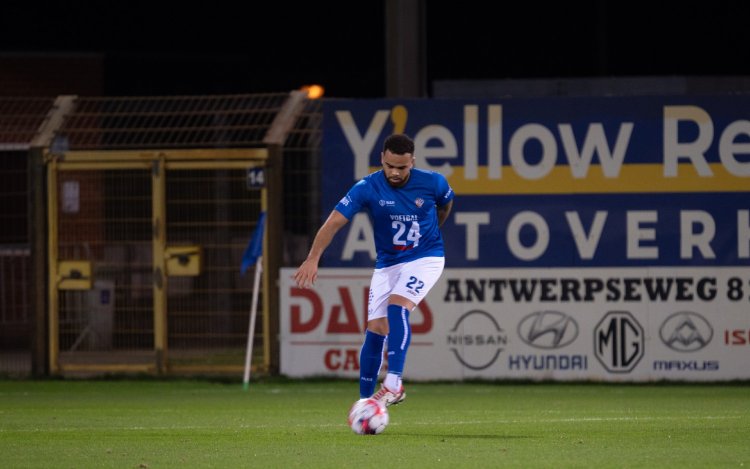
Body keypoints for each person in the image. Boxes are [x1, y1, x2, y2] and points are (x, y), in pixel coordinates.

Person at [293, 133, 454, 406]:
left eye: (402, 167)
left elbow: (445, 205)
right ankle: (366, 403)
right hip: (388, 263)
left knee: (397, 306)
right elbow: (333, 222)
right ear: (382, 158)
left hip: (426, 257)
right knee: (375, 328)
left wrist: (432, 233)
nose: (394, 172)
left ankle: (393, 382)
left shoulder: (434, 182)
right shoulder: (367, 187)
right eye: (389, 165)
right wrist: (312, 257)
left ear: (412, 162)